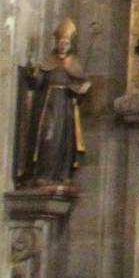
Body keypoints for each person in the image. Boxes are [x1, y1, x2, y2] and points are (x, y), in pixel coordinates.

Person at [20, 19, 92, 189]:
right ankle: (44, 174)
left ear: (70, 45)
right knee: (47, 137)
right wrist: (32, 72)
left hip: (66, 107)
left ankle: (62, 174)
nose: (63, 45)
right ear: (56, 43)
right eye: (61, 42)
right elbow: (37, 84)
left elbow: (82, 82)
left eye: (66, 42)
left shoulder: (73, 63)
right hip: (48, 104)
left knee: (64, 140)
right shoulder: (47, 62)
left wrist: (83, 87)